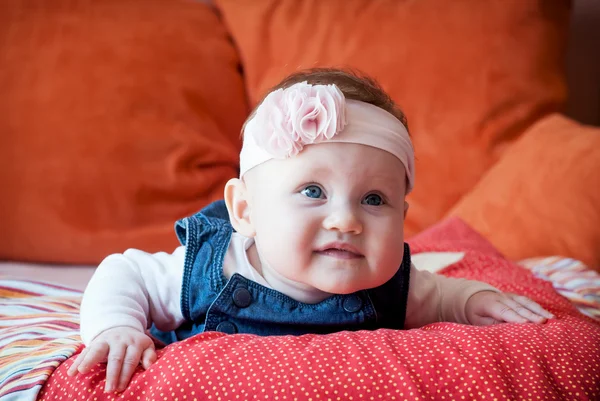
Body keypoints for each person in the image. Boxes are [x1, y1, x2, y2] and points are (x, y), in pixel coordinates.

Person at [67, 68, 554, 393]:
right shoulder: (212, 268)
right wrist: (116, 327)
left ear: (403, 218)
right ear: (246, 210)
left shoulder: (390, 286)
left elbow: (440, 297)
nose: (346, 219)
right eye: (313, 192)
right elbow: (124, 273)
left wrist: (473, 301)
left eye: (373, 199)